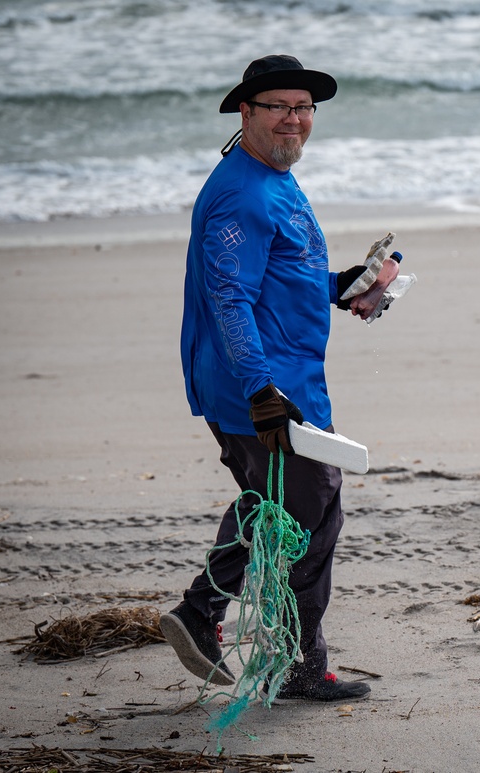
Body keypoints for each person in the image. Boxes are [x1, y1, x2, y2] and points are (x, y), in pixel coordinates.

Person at [160, 55, 398, 702]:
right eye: (280, 107)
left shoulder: (273, 176)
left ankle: (230, 625)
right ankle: (248, 635)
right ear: (247, 112)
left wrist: (343, 285)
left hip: (283, 382)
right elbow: (231, 298)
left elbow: (283, 279)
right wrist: (263, 392)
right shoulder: (242, 191)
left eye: (304, 108)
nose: (295, 119)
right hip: (259, 390)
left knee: (282, 506)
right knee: (312, 507)